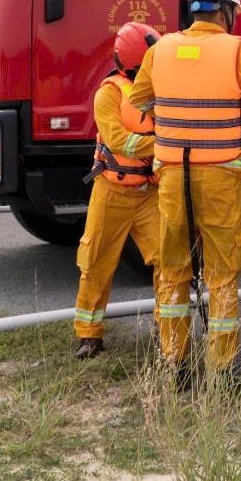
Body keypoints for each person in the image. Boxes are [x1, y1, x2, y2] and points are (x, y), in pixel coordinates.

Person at [130, 0, 241, 373]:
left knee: (173, 268)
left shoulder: (159, 50)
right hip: (221, 175)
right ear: (227, 11)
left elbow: (140, 100)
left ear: (193, 6)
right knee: (222, 271)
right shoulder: (239, 50)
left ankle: (172, 360)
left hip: (173, 174)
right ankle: (220, 368)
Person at [72, 22, 163, 359]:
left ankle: (166, 327)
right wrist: (163, 145)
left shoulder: (160, 90)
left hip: (149, 192)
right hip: (111, 190)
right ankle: (89, 335)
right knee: (96, 261)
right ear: (132, 64)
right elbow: (118, 140)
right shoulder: (108, 94)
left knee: (168, 260)